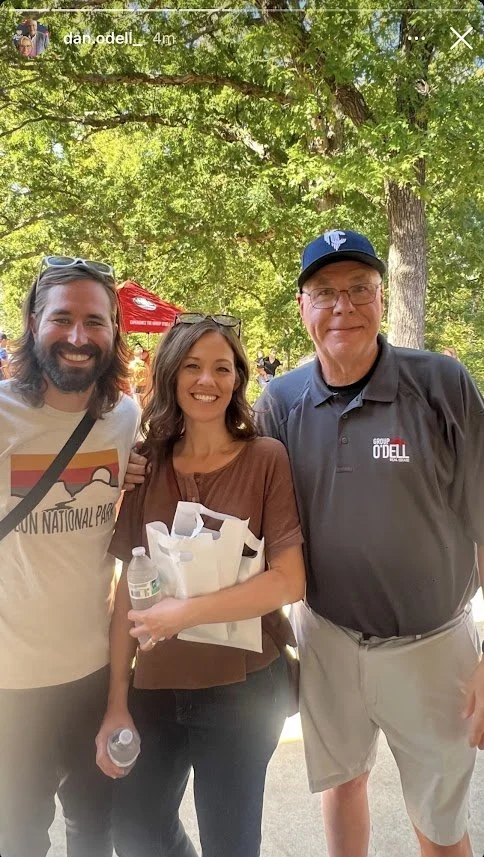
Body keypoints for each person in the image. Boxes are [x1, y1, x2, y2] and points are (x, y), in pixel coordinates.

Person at [254, 228, 484, 857]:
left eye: (360, 289)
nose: (343, 306)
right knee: (343, 781)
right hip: (327, 638)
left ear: (382, 299)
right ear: (302, 307)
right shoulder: (280, 401)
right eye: (325, 292)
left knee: (438, 823)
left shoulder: (442, 385)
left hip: (433, 645)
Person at [95, 312, 305, 857]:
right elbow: (125, 596)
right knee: (137, 834)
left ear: (238, 377)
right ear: (170, 373)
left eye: (221, 367)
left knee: (231, 845)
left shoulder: (266, 459)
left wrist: (183, 613)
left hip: (243, 693)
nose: (206, 381)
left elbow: (289, 581)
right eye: (191, 366)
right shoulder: (147, 463)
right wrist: (118, 700)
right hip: (156, 690)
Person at [0, 258, 140, 857]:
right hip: (10, 683)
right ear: (34, 323)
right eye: (62, 318)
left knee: (94, 828)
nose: (78, 337)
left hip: (94, 671)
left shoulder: (124, 419)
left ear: (113, 333)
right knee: (19, 834)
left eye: (95, 321)